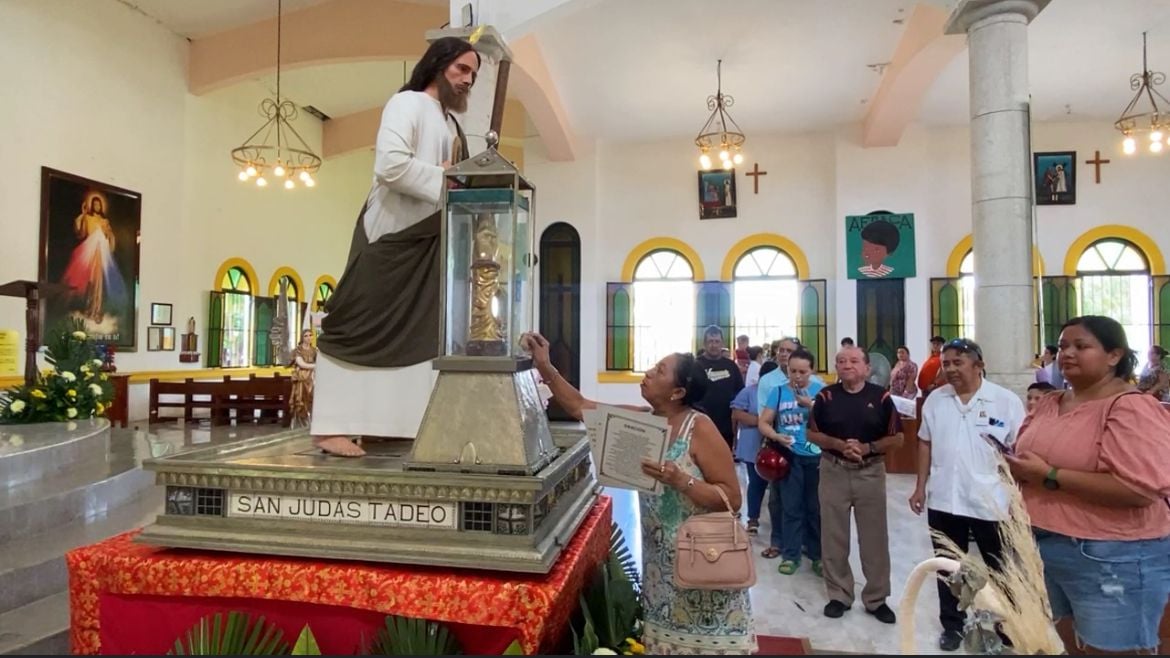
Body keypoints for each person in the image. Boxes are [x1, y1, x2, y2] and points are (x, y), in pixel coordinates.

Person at [523, 331, 755, 655]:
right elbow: (579, 406)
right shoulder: (644, 421)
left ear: (677, 392)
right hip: (661, 571)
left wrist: (680, 480)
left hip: (703, 562)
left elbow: (732, 497)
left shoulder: (698, 427)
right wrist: (546, 367)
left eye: (659, 371)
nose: (647, 373)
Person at [310, 38, 480, 456]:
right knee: (352, 326)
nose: (467, 79)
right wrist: (444, 177)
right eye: (461, 68)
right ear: (438, 65)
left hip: (428, 243)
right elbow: (390, 165)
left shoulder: (452, 124)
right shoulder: (406, 104)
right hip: (390, 238)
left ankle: (397, 425)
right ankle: (329, 427)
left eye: (473, 74)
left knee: (418, 334)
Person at [1009, 316, 1170, 655]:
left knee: (1111, 649)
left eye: (1081, 346)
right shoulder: (1051, 402)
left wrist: (1049, 476)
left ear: (1114, 356)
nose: (1067, 353)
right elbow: (1027, 453)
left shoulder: (1131, 407)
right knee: (1069, 645)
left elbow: (1139, 490)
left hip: (1111, 555)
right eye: (1064, 345)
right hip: (1044, 544)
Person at [908, 338, 1025, 651]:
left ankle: (1006, 623)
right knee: (948, 566)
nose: (950, 369)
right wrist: (920, 486)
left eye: (958, 362)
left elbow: (1020, 450)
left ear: (978, 364)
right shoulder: (936, 400)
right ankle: (953, 625)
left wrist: (1017, 496)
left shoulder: (1005, 401)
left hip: (991, 501)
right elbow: (924, 442)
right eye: (946, 363)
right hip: (945, 497)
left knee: (1000, 566)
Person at [808, 347, 902, 623]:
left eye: (853, 361)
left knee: (874, 537)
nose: (846, 365)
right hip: (833, 471)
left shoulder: (881, 397)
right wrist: (839, 445)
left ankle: (876, 599)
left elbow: (897, 438)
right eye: (840, 361)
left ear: (867, 367)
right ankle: (839, 594)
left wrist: (867, 447)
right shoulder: (825, 396)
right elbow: (811, 433)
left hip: (870, 472)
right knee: (834, 535)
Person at [759, 348, 824, 575]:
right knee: (791, 506)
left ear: (811, 371)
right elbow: (764, 421)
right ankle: (791, 554)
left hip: (816, 457)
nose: (797, 376)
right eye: (792, 370)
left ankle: (818, 555)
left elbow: (833, 420)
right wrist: (776, 436)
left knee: (815, 507)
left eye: (802, 372)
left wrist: (811, 405)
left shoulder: (821, 391)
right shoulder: (777, 392)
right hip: (789, 456)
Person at [62, 193, 128, 323]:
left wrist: (109, 236)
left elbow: (110, 237)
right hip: (90, 252)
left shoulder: (104, 221)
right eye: (95, 204)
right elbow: (80, 233)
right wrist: (82, 214)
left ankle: (96, 310)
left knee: (99, 283)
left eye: (99, 204)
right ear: (92, 205)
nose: (97, 206)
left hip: (101, 253)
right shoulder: (87, 218)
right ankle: (90, 308)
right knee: (90, 282)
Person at [732, 360, 778, 537]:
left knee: (778, 488)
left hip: (776, 444)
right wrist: (761, 422)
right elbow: (737, 414)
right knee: (756, 482)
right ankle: (752, 519)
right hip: (753, 443)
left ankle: (778, 523)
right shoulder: (750, 392)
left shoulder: (782, 392)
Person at [695, 325, 745, 452]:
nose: (714, 345)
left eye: (717, 341)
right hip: (700, 424)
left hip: (725, 426)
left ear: (722, 343)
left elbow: (740, 393)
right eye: (710, 342)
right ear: (704, 344)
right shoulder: (695, 365)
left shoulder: (731, 366)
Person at [289, 329, 317, 428]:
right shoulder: (298, 350)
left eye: (310, 335)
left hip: (312, 378)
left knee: (312, 399)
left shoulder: (314, 350)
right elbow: (301, 364)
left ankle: (311, 422)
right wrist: (316, 366)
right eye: (306, 335)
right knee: (301, 399)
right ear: (302, 337)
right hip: (301, 378)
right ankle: (300, 423)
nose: (309, 337)